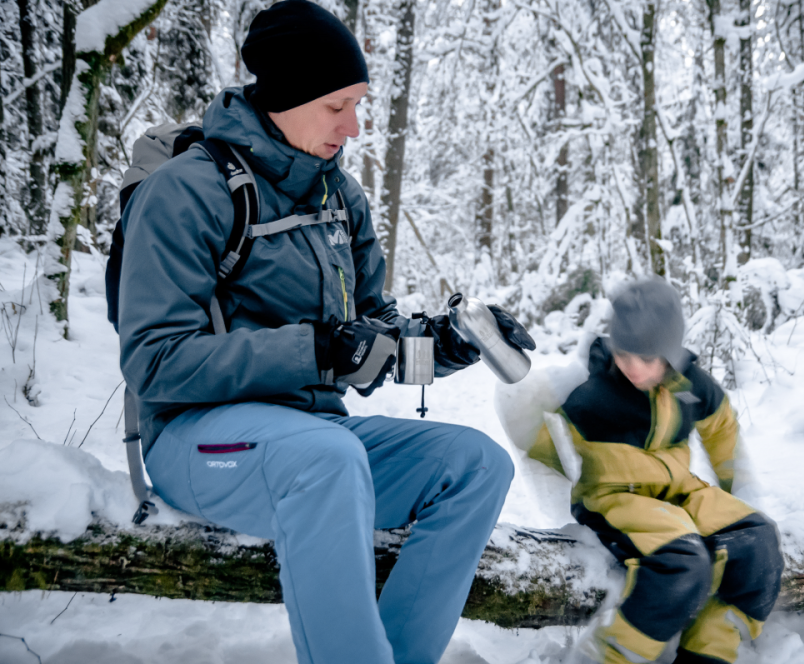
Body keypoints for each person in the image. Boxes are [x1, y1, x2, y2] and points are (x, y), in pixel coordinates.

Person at [116, 2, 529, 662]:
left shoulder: (340, 199)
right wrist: (317, 349)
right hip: (198, 442)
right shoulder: (187, 192)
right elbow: (155, 361)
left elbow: (374, 339)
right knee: (325, 458)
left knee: (477, 465)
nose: (356, 125)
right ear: (285, 94)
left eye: (359, 102)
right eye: (338, 104)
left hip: (314, 438)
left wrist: (450, 343)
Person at [511, 279, 782, 664]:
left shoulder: (690, 385)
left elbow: (721, 428)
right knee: (683, 564)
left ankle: (709, 652)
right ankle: (612, 655)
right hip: (615, 495)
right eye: (625, 354)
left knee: (757, 542)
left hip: (681, 491)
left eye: (648, 358)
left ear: (669, 351)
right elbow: (536, 430)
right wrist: (539, 432)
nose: (633, 367)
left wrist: (734, 489)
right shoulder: (594, 388)